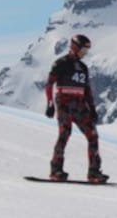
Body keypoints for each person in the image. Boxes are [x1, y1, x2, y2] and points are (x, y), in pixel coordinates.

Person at [44, 34, 109, 183]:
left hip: (79, 105)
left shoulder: (83, 68)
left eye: (86, 52)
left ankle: (94, 172)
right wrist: (50, 104)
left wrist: (92, 108)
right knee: (64, 134)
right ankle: (56, 170)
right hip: (64, 104)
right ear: (75, 47)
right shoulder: (60, 63)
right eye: (83, 50)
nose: (84, 54)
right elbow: (49, 84)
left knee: (93, 135)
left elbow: (87, 90)